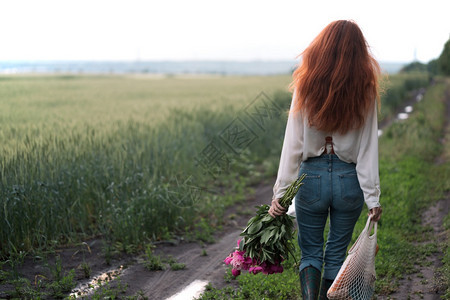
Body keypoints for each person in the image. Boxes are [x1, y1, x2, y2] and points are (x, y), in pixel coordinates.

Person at [268, 20, 383, 300]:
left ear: (321, 48)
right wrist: (373, 197)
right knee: (335, 255)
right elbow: (368, 148)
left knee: (310, 252)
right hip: (349, 180)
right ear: (359, 52)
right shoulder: (365, 90)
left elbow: (292, 144)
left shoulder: (305, 85)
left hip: (311, 180)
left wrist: (281, 194)